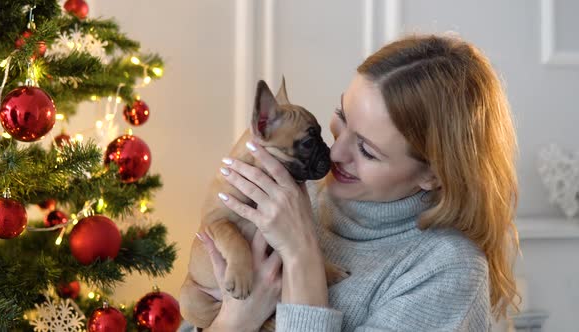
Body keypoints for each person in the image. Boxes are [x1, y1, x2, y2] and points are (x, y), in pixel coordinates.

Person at [180, 33, 519, 331]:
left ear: (433, 174)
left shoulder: (445, 270)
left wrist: (302, 258)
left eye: (367, 150)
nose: (336, 152)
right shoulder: (296, 195)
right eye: (341, 117)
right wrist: (235, 321)